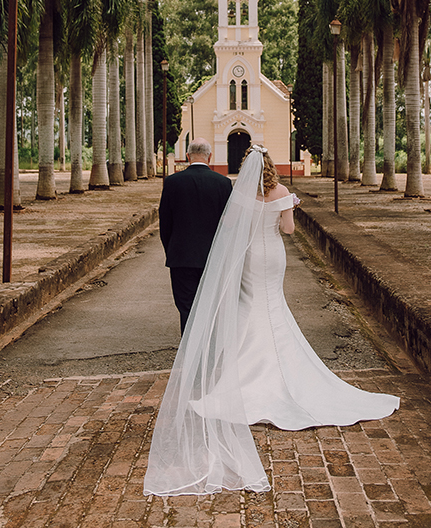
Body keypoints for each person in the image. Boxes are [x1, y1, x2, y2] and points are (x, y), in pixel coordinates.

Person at [144, 144, 399, 497]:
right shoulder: (282, 193)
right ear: (270, 165)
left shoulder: (240, 192)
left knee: (249, 308)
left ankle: (241, 374)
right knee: (273, 306)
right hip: (273, 257)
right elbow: (290, 231)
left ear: (248, 166)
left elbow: (231, 230)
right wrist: (290, 206)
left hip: (250, 258)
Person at [159, 137, 232, 333]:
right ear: (210, 156)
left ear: (187, 156)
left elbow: (165, 223)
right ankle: (209, 347)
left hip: (181, 256)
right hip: (213, 257)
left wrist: (172, 249)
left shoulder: (172, 182)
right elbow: (229, 224)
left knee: (186, 307)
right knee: (210, 304)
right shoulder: (223, 183)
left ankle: (189, 351)